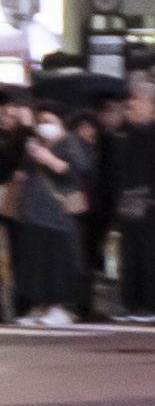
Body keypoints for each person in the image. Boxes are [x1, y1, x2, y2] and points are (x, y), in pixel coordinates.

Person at [106, 81, 155, 323]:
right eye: (131, 98)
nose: (132, 103)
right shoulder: (125, 133)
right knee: (128, 253)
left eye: (138, 98)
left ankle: (150, 305)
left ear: (152, 105)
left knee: (148, 253)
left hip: (150, 202)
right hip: (127, 200)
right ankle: (129, 302)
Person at [14, 105, 84, 322]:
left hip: (58, 215)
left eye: (50, 121)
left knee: (58, 262)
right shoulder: (35, 143)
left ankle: (61, 307)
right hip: (33, 213)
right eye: (41, 121)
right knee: (36, 263)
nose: (44, 126)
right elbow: (24, 170)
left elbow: (75, 172)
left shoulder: (70, 143)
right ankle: (39, 306)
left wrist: (50, 160)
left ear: (61, 123)